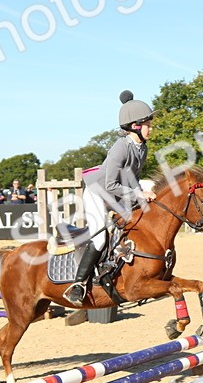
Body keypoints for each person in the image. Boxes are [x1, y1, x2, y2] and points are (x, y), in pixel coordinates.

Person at [63, 90, 157, 307]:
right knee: (100, 238)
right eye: (148, 124)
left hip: (117, 194)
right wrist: (138, 194)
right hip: (98, 193)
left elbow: (133, 178)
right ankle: (78, 284)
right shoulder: (120, 147)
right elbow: (110, 184)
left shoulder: (142, 148)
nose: (151, 128)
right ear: (135, 125)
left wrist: (141, 197)